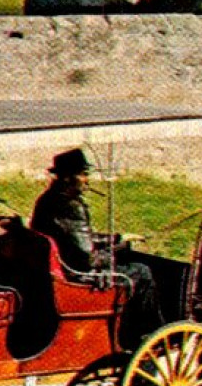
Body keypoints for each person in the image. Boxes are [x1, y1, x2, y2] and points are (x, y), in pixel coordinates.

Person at [30, 148, 164, 346]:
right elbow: (88, 258)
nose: (87, 180)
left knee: (130, 263)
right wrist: (114, 252)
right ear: (67, 178)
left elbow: (77, 237)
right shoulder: (70, 205)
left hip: (58, 267)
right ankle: (148, 335)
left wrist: (118, 238)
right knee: (143, 272)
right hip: (77, 276)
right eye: (83, 174)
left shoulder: (47, 199)